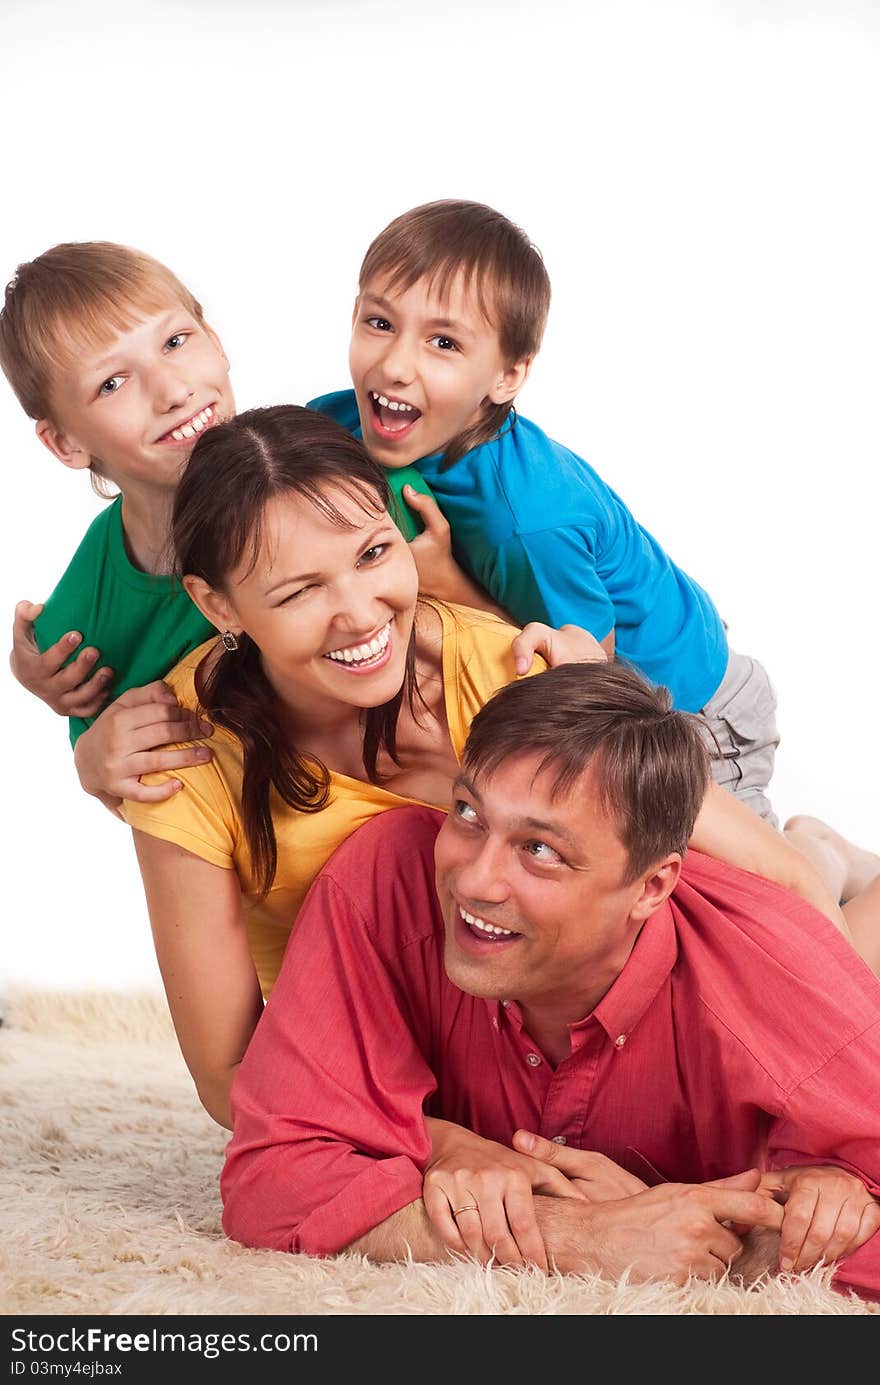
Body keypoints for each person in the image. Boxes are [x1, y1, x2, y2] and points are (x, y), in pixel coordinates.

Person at [119, 405, 852, 1130]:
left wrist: (844, 1062)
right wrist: (446, 1147)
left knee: (790, 945)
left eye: (373, 553)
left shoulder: (505, 665)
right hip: (405, 1067)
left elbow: (779, 882)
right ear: (218, 604)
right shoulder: (180, 760)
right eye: (300, 590)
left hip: (559, 1027)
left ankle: (834, 857)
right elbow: (229, 1076)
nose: (360, 613)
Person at [219, 661, 880, 1301]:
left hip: (794, 937)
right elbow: (270, 1178)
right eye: (470, 813)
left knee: (853, 931)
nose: (473, 880)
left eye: (541, 850)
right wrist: (579, 1234)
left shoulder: (779, 979)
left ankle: (834, 858)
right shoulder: (387, 879)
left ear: (651, 886)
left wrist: (765, 1239)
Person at [310, 198, 878, 902]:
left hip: (686, 703)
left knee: (760, 910)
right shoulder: (336, 423)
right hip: (637, 662)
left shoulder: (525, 521)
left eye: (444, 343)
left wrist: (446, 581)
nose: (395, 365)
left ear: (508, 377)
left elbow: (594, 679)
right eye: (379, 322)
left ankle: (826, 859)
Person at [0, 241, 441, 812]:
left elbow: (500, 644)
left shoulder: (345, 478)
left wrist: (448, 578)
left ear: (216, 341)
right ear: (65, 441)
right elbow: (145, 786)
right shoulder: (83, 624)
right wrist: (94, 767)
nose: (173, 392)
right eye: (112, 383)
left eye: (175, 343)